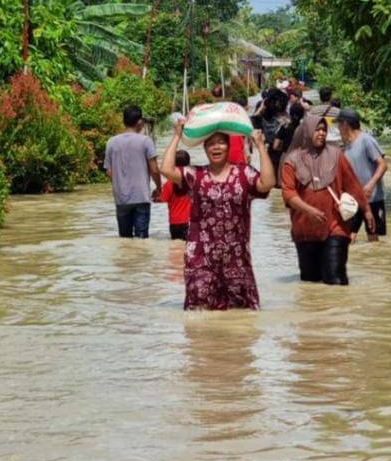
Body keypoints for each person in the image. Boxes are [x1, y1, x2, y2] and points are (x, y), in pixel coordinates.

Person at [161, 123, 275, 310]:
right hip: (201, 258)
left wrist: (261, 146)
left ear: (229, 146)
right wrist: (177, 136)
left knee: (240, 313)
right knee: (199, 312)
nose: (216, 147)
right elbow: (166, 169)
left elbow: (268, 182)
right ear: (204, 148)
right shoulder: (196, 175)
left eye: (221, 143)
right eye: (211, 144)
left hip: (236, 258)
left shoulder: (243, 173)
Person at [281, 110, 373, 285]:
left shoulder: (337, 155)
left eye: (324, 129)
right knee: (310, 283)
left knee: (335, 280)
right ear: (307, 132)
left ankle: (339, 311)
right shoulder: (291, 161)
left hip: (335, 226)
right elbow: (288, 193)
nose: (322, 133)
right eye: (317, 129)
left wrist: (367, 210)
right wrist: (308, 210)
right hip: (305, 230)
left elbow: (353, 184)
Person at [103, 105, 161, 239]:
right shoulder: (146, 141)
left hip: (121, 199)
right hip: (141, 197)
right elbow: (154, 169)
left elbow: (109, 172)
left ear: (124, 121)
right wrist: (159, 187)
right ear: (140, 122)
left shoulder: (111, 142)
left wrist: (119, 185)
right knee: (141, 240)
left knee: (125, 240)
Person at [338, 108, 389, 240]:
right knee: (348, 237)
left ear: (345, 124)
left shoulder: (366, 140)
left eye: (338, 124)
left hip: (373, 199)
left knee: (373, 239)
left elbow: (383, 164)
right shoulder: (346, 146)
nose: (337, 128)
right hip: (353, 200)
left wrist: (371, 184)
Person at [160, 148, 192, 240]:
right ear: (189, 163)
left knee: (176, 249)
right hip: (190, 220)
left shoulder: (169, 182)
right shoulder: (193, 180)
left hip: (175, 222)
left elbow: (163, 198)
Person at [227, 94, 250, 163]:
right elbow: (245, 142)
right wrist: (247, 154)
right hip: (239, 157)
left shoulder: (227, 119)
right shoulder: (243, 121)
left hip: (228, 157)